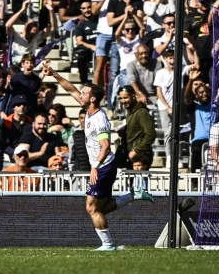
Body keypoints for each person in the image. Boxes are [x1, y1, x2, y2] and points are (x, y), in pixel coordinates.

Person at [44, 65, 155, 251]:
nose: (81, 94)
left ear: (92, 98)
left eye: (85, 93)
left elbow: (105, 146)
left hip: (103, 166)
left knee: (92, 208)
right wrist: (55, 74)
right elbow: (70, 88)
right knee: (99, 208)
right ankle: (133, 195)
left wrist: (94, 166)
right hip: (102, 166)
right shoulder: (89, 110)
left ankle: (108, 244)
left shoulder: (99, 119)